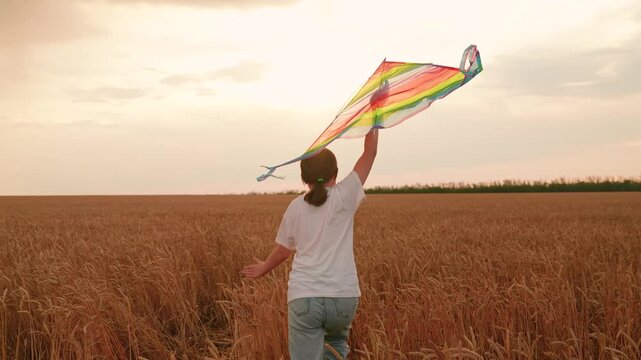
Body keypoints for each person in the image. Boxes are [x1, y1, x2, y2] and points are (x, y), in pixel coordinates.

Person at [241, 128, 379, 360]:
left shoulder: (295, 207)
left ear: (304, 178)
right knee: (335, 348)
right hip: (343, 299)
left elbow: (284, 251)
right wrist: (374, 120)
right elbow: (370, 153)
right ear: (335, 173)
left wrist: (264, 267)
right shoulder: (345, 195)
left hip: (305, 298)